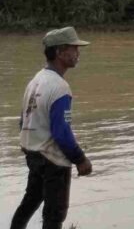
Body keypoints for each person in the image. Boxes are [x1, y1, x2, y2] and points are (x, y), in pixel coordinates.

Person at [11, 27, 94, 229]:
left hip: (34, 154)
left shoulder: (35, 80)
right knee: (54, 216)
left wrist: (29, 146)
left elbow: (23, 121)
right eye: (74, 49)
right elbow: (62, 134)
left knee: (29, 202)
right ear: (59, 52)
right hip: (53, 160)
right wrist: (81, 159)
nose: (78, 53)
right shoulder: (59, 87)